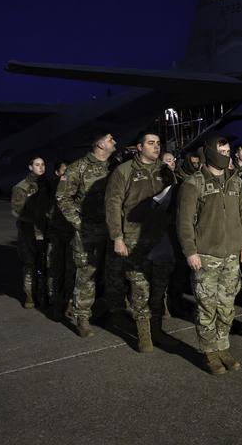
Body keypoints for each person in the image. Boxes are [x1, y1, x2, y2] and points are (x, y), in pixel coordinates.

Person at [177, 134, 242, 374]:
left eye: (228, 150)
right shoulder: (194, 183)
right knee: (206, 307)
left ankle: (223, 347)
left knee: (227, 306)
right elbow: (184, 222)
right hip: (206, 255)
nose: (226, 154)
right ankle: (209, 352)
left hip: (232, 255)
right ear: (209, 152)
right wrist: (190, 251)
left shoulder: (236, 182)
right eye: (221, 150)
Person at [105, 131, 176, 352]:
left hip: (160, 239)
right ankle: (144, 334)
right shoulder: (123, 171)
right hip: (134, 239)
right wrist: (117, 237)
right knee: (139, 288)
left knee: (158, 288)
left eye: (158, 144)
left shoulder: (165, 172)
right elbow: (113, 205)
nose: (156, 147)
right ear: (139, 147)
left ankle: (157, 330)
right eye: (151, 143)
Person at [56, 133, 116, 337]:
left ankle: (108, 309)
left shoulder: (114, 166)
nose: (114, 142)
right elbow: (63, 198)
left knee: (111, 272)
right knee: (86, 274)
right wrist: (79, 223)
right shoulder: (78, 167)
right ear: (100, 144)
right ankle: (82, 318)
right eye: (110, 140)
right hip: (88, 231)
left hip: (112, 229)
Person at [11, 157, 50, 309]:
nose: (41, 167)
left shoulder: (48, 185)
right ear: (30, 167)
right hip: (28, 233)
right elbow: (17, 211)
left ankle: (44, 295)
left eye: (43, 164)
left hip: (45, 232)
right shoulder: (21, 187)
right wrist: (38, 218)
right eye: (37, 165)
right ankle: (29, 295)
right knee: (30, 265)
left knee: (45, 265)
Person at [46, 159, 76, 318]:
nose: (67, 174)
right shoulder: (54, 186)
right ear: (57, 173)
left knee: (71, 271)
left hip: (70, 234)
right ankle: (57, 305)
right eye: (64, 171)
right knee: (57, 271)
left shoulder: (72, 187)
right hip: (57, 234)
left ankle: (69, 303)